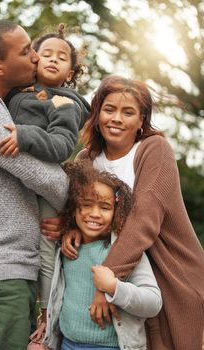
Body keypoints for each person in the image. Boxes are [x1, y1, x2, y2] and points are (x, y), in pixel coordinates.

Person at [0, 24, 90, 319]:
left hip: (5, 268)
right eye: (30, 51)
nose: (39, 59)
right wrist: (79, 209)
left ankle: (47, 311)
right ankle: (47, 312)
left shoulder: (59, 101)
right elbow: (44, 177)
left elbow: (61, 145)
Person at [62, 76, 204, 350]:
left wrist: (108, 283)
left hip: (168, 270)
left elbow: (144, 220)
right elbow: (78, 209)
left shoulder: (154, 149)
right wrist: (70, 227)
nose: (116, 118)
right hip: (119, 275)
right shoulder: (86, 159)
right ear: (97, 113)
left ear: (141, 121)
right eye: (109, 109)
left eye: (128, 112)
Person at [30, 160, 162, 350]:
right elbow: (57, 296)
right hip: (67, 343)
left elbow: (153, 302)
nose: (95, 214)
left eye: (105, 207)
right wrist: (47, 325)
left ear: (117, 212)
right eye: (86, 204)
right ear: (74, 208)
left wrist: (114, 287)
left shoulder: (123, 251)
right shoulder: (66, 248)